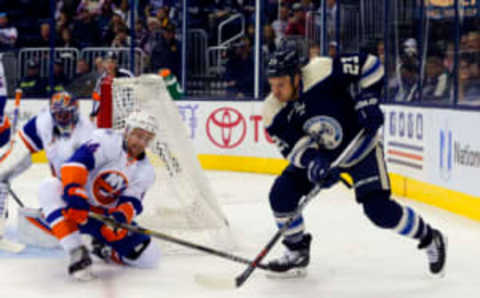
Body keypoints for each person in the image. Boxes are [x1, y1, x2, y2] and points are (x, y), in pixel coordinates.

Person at [262, 43, 447, 277]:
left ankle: (430, 238)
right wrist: (314, 163)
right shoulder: (272, 110)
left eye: (281, 84)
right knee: (281, 194)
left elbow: (370, 65)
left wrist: (367, 98)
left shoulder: (322, 70)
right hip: (325, 155)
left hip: (361, 148)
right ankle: (297, 251)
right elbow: (293, 149)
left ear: (296, 77)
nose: (276, 91)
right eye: (272, 85)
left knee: (379, 211)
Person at [37, 110, 160, 280]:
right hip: (76, 207)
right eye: (138, 135)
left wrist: (119, 219)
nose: (141, 142)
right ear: (127, 130)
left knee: (150, 257)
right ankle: (77, 251)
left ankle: (103, 249)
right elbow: (76, 163)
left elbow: (132, 201)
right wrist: (75, 196)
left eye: (147, 139)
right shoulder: (106, 140)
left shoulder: (146, 171)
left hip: (103, 218)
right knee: (49, 186)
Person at [0, 91, 96, 251]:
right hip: (58, 179)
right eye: (58, 115)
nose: (61, 119)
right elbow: (18, 152)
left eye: (66, 115)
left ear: (75, 113)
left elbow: (91, 172)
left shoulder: (88, 133)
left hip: (80, 180)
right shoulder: (43, 123)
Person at [90, 51, 133, 121]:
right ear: (104, 64)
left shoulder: (126, 75)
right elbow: (96, 96)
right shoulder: (102, 79)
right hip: (109, 114)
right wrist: (94, 112)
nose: (110, 64)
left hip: (126, 114)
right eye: (108, 62)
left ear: (116, 63)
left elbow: (134, 92)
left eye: (112, 62)